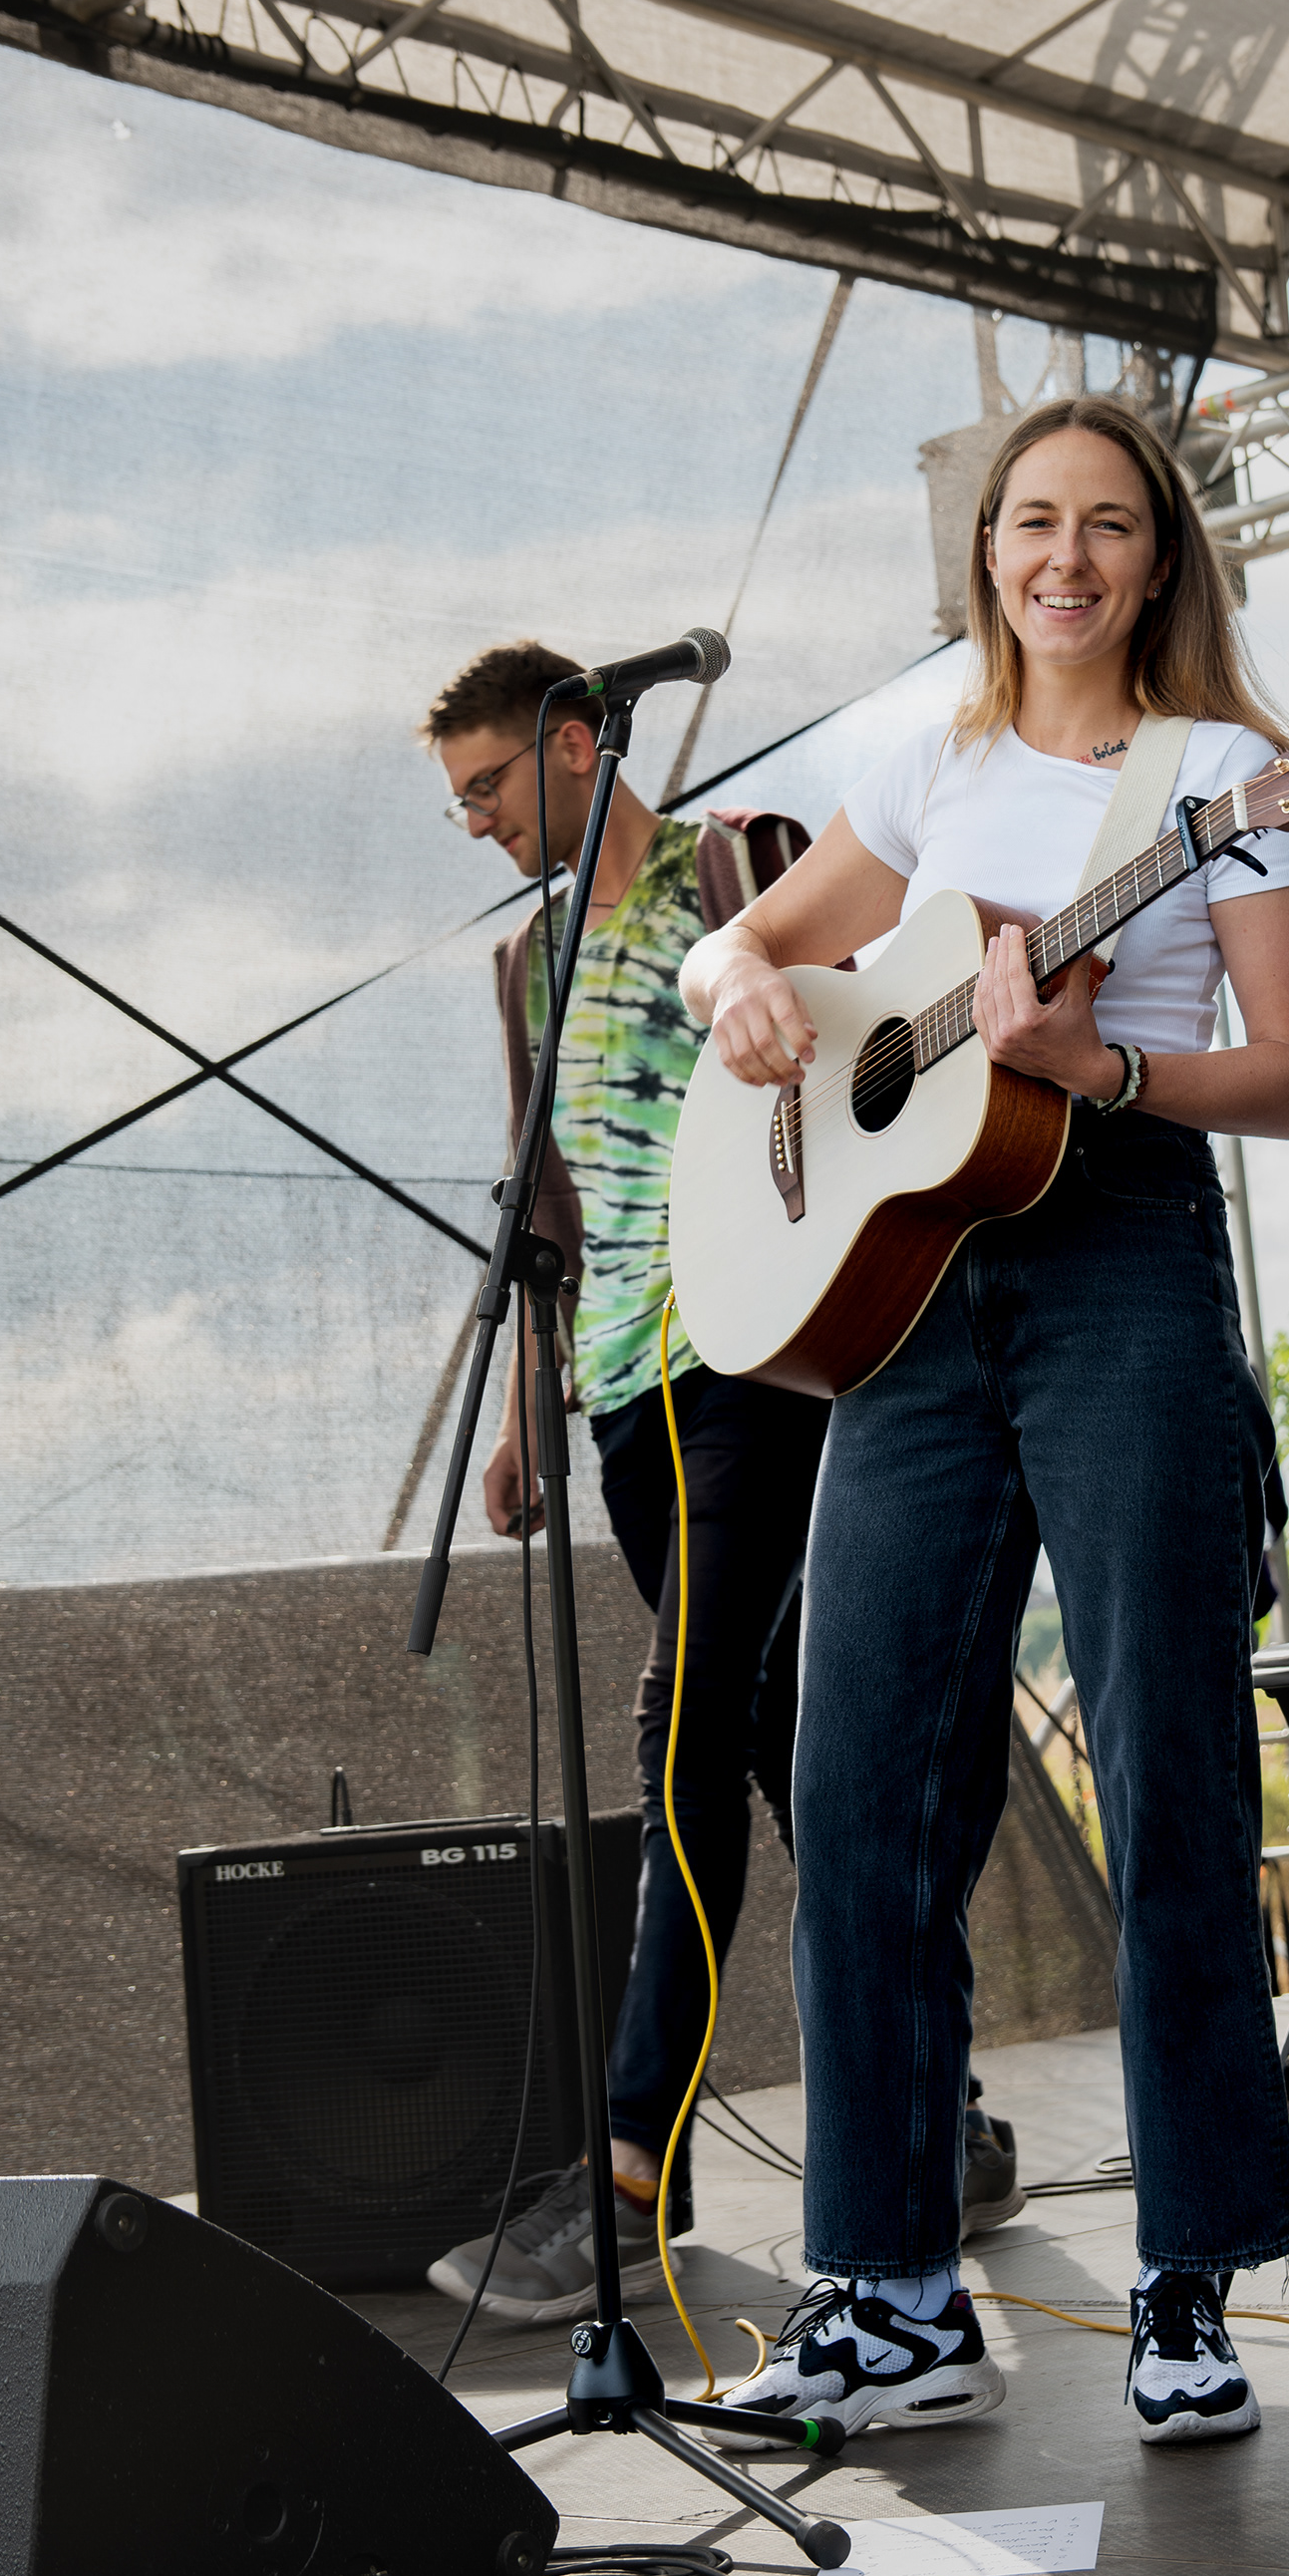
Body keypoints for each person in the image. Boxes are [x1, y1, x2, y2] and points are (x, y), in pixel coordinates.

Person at [679, 395, 1289, 2448]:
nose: (1065, 557)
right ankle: (890, 2292)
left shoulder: (1225, 779)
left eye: (1108, 525)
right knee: (858, 1778)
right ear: (987, 555)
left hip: (1121, 1249)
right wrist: (741, 988)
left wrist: (1100, 1072)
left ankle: (1187, 2275)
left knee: (1168, 1768)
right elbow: (744, 941)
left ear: (1159, 561)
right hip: (913, 1289)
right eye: (1032, 521)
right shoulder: (928, 756)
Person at [417, 644, 1022, 2327]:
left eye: (485, 786)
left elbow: (879, 1058)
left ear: (573, 743)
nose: (475, 824)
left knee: (681, 1728)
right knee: (783, 1749)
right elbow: (551, 1207)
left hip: (762, 1357)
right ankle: (948, 2114)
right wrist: (528, 1415)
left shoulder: (742, 867)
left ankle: (630, 2170)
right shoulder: (527, 962)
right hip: (624, 1388)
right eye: (457, 802)